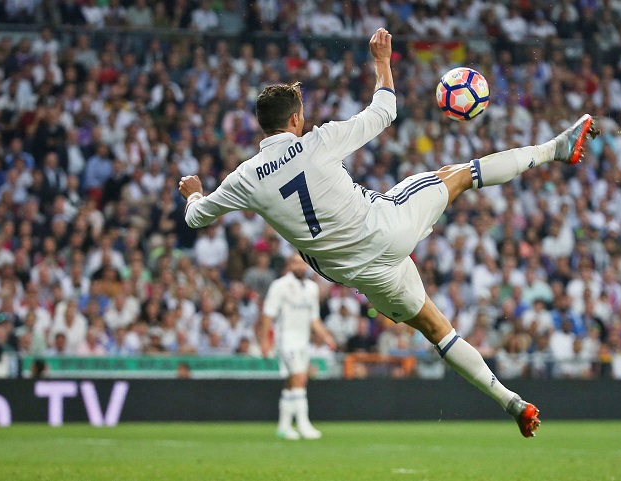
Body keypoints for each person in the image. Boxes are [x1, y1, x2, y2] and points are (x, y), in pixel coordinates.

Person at [180, 28, 598, 438]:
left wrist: (194, 194)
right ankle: (554, 149)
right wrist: (382, 63)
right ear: (295, 119)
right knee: (458, 175)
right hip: (386, 226)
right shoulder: (318, 141)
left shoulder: (244, 178)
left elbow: (196, 218)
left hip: (361, 274)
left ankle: (512, 402)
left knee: (438, 331)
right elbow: (384, 111)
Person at [258, 254, 336, 440]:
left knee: (292, 382)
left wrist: (326, 336)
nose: (300, 266)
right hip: (286, 340)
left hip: (303, 341)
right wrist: (264, 341)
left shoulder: (312, 288)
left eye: (303, 263)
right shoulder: (280, 286)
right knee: (299, 379)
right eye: (296, 263)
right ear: (289, 265)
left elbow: (314, 319)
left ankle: (284, 426)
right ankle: (303, 424)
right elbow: (268, 315)